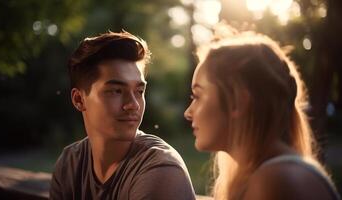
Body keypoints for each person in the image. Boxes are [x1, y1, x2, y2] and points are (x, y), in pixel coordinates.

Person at [184, 27, 341, 200]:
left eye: (197, 96)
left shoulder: (276, 182)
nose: (188, 113)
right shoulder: (271, 175)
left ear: (237, 100)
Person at [50, 31, 195, 200]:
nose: (133, 104)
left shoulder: (161, 169)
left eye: (139, 91)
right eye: (116, 91)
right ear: (79, 99)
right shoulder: (69, 164)